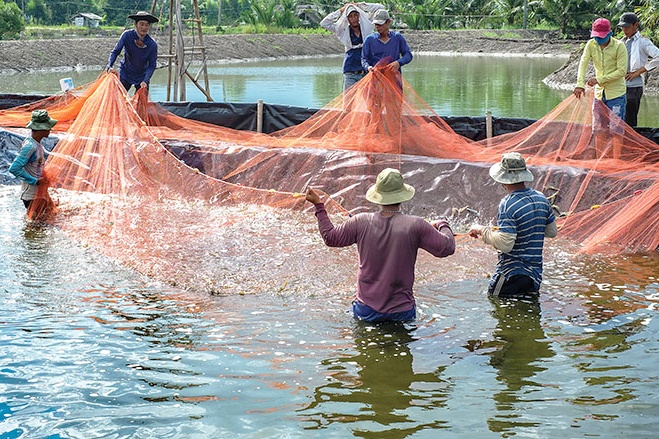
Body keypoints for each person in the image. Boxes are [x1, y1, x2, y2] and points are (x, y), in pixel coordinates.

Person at [305, 168, 455, 322]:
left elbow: (330, 237)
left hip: (365, 311)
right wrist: (442, 224)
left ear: (377, 195)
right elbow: (447, 247)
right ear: (402, 195)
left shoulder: (360, 221)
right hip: (402, 312)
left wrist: (318, 205)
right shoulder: (416, 225)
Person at [468, 153, 557, 300]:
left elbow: (505, 244)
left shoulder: (507, 204)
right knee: (530, 320)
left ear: (502, 179)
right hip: (534, 278)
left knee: (496, 309)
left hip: (510, 275)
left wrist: (481, 230)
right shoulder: (541, 198)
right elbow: (551, 231)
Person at [573, 18, 627, 159]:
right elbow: (583, 63)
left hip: (616, 95)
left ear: (610, 33)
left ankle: (615, 161)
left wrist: (599, 80)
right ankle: (600, 160)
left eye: (601, 37)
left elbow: (622, 71)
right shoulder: (591, 44)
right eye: (596, 37)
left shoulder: (619, 46)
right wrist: (579, 83)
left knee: (616, 130)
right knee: (599, 129)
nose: (598, 40)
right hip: (599, 95)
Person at [320, 2, 383, 90]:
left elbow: (380, 7)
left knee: (370, 100)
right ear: (347, 18)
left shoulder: (367, 24)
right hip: (350, 70)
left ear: (359, 16)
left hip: (367, 69)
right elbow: (324, 23)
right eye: (350, 16)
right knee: (349, 101)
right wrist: (341, 11)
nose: (353, 19)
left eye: (355, 15)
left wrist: (359, 5)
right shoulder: (342, 29)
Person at [8, 109, 57, 209]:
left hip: (38, 193)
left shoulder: (36, 144)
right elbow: (14, 168)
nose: (50, 130)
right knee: (37, 223)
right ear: (41, 129)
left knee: (49, 216)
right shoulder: (30, 147)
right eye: (48, 127)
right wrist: (35, 181)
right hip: (31, 196)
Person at [618, 12, 659, 128]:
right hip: (619, 85)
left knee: (630, 118)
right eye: (622, 28)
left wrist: (639, 71)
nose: (625, 30)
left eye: (627, 27)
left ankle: (630, 143)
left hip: (634, 87)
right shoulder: (620, 42)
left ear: (636, 25)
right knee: (617, 117)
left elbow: (658, 56)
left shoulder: (643, 42)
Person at [106, 11, 159, 93]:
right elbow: (115, 51)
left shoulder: (152, 44)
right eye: (141, 24)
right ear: (135, 24)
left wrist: (145, 80)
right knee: (119, 98)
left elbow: (152, 65)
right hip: (126, 72)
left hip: (142, 75)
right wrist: (109, 66)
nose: (144, 28)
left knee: (141, 101)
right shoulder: (127, 35)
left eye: (146, 25)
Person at [361, 9, 413, 84]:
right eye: (376, 25)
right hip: (376, 82)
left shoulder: (397, 38)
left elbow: (408, 55)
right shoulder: (369, 40)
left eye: (380, 24)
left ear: (388, 22)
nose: (377, 27)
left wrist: (398, 63)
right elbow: (364, 59)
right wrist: (368, 67)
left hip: (394, 81)